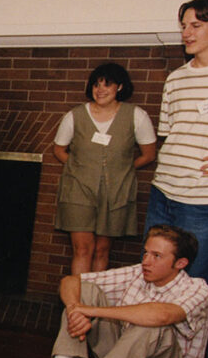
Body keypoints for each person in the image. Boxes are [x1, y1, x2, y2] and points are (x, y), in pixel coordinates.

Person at [25, 225, 208, 358]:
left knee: (152, 324)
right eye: (145, 253)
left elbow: (161, 315)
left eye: (156, 256)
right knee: (85, 290)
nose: (146, 261)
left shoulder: (198, 289)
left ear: (180, 263)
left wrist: (92, 310)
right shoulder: (139, 272)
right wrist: (75, 309)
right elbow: (70, 281)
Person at [145, 0, 208, 306]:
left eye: (196, 25)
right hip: (163, 192)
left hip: (207, 200)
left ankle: (191, 355)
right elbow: (170, 135)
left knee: (197, 281)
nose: (186, 32)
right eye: (184, 25)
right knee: (155, 274)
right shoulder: (176, 78)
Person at [54, 62, 156, 274]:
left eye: (106, 85)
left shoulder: (137, 115)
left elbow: (149, 155)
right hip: (78, 192)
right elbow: (59, 150)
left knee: (101, 249)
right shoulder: (74, 115)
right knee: (82, 248)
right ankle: (79, 303)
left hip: (115, 193)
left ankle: (94, 303)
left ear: (119, 87)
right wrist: (79, 169)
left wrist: (123, 170)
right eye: (96, 85)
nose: (100, 90)